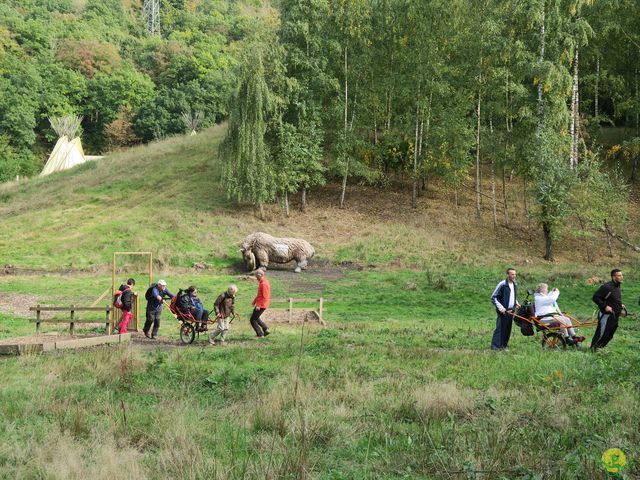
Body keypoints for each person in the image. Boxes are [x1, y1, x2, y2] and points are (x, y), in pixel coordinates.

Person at [591, 269, 625, 351]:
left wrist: (620, 305)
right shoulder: (607, 287)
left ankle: (600, 348)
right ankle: (593, 349)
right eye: (619, 275)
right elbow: (595, 297)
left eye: (621, 275)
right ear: (614, 277)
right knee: (602, 333)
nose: (621, 277)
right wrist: (605, 306)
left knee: (610, 334)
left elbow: (613, 298)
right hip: (606, 315)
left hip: (615, 315)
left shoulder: (617, 286)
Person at [490, 268, 518, 351]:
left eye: (515, 274)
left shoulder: (514, 284)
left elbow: (512, 296)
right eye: (512, 274)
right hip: (503, 311)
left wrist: (516, 303)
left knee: (507, 329)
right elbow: (493, 297)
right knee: (500, 328)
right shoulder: (502, 284)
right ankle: (495, 347)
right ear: (508, 275)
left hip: (511, 310)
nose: (514, 276)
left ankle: (503, 346)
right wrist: (502, 308)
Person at [250, 269, 270, 337]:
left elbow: (264, 296)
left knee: (253, 320)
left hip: (262, 305)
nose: (256, 278)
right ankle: (265, 329)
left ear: (259, 275)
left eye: (256, 276)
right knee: (256, 318)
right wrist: (254, 301)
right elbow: (259, 295)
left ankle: (260, 334)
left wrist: (258, 305)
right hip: (261, 304)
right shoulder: (263, 282)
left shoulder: (264, 284)